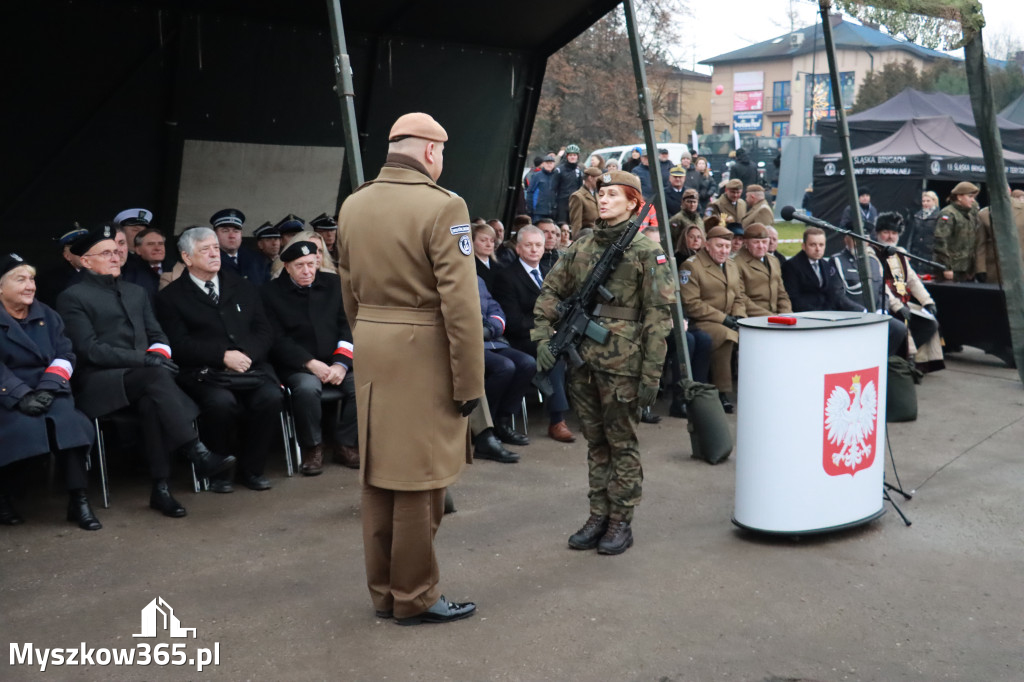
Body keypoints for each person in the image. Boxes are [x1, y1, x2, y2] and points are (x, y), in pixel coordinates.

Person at [336, 112, 483, 625]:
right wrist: (469, 383)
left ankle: (385, 594)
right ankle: (415, 596)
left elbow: (348, 290)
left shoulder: (353, 204)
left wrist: (371, 335)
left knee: (379, 480)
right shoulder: (445, 207)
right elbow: (461, 306)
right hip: (425, 353)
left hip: (374, 348)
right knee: (421, 484)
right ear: (428, 151)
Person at [533, 170, 674, 555]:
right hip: (584, 363)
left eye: (613, 194)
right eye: (601, 193)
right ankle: (598, 513)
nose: (604, 200)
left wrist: (652, 374)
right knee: (596, 443)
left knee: (621, 443)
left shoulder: (648, 253)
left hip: (624, 364)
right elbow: (551, 289)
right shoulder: (583, 246)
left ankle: (620, 521)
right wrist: (542, 336)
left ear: (633, 202)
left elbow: (659, 319)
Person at [56, 225, 236, 519]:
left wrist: (159, 355)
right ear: (85, 261)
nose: (115, 257)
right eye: (106, 254)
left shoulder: (135, 292)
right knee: (156, 379)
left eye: (116, 251)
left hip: (147, 380)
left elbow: (159, 335)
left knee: (154, 398)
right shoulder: (73, 296)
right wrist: (146, 360)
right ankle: (196, 452)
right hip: (101, 382)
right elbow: (90, 350)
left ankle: (161, 489)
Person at [155, 227, 282, 492]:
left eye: (215, 247)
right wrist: (222, 356)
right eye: (205, 249)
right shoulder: (171, 297)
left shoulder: (243, 286)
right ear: (187, 258)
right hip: (205, 372)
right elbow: (177, 343)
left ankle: (252, 469)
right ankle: (220, 473)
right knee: (220, 403)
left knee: (270, 398)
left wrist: (246, 355)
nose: (214, 254)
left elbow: (264, 330)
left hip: (250, 367)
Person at [0, 254, 100, 530]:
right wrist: (19, 395)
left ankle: (78, 499)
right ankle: (3, 496)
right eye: (20, 279)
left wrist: (47, 389)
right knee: (23, 429)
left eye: (31, 279)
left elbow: (66, 354)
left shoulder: (47, 314)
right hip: (7, 397)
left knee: (71, 425)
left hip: (50, 391)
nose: (30, 285)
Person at [264, 240, 359, 473]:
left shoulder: (334, 284)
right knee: (307, 389)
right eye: (299, 265)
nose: (307, 271)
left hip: (336, 361)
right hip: (298, 365)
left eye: (311, 264)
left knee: (363, 385)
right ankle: (312, 447)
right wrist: (309, 363)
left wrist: (341, 364)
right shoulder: (270, 293)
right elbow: (275, 338)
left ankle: (344, 443)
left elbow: (347, 326)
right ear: (287, 267)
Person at [491, 225, 576, 443]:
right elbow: (514, 322)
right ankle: (557, 421)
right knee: (553, 354)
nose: (534, 249)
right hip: (522, 340)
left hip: (554, 333)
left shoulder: (549, 274)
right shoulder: (506, 277)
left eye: (538, 245)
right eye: (528, 245)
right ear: (518, 249)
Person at [680, 224, 748, 412]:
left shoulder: (732, 266)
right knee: (726, 336)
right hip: (700, 323)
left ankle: (750, 388)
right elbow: (691, 303)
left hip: (729, 318)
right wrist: (724, 318)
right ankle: (721, 392)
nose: (724, 251)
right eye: (719, 246)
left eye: (727, 247)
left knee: (752, 336)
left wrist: (739, 316)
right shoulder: (692, 266)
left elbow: (739, 296)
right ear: (707, 245)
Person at [873, 213, 943, 372]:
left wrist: (927, 301)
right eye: (886, 232)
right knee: (901, 322)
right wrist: (897, 306)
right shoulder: (872, 253)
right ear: (878, 234)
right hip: (884, 305)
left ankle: (908, 356)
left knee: (930, 323)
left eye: (894, 233)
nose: (890, 237)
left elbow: (912, 279)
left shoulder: (900, 254)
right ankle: (903, 358)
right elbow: (880, 286)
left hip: (903, 303)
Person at [478, 276, 535, 454]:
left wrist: (491, 328)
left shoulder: (478, 279)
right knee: (504, 367)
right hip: (470, 344)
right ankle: (485, 427)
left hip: (493, 339)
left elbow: (495, 308)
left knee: (527, 363)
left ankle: (503, 422)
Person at [782, 227, 864, 314]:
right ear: (803, 246)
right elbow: (793, 298)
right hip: (805, 315)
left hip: (828, 314)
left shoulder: (826, 264)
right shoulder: (791, 266)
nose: (818, 249)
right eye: (813, 245)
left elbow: (832, 294)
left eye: (821, 245)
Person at [735, 223, 792, 316]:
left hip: (777, 316)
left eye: (765, 242)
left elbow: (782, 294)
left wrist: (786, 314)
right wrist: (771, 317)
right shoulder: (737, 263)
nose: (761, 246)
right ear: (745, 242)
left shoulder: (773, 261)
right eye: (756, 242)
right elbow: (741, 297)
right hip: (753, 317)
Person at [934, 182, 980, 282]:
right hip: (952, 269)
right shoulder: (948, 214)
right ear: (959, 197)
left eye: (973, 197)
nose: (973, 200)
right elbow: (941, 242)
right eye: (970, 196)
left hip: (966, 269)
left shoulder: (969, 215)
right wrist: (946, 267)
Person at [211, 208, 269, 285]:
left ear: (241, 234)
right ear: (215, 234)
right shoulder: (209, 260)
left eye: (236, 231)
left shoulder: (257, 259)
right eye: (225, 231)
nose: (232, 236)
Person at [901, 190, 940, 275]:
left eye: (928, 201)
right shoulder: (917, 215)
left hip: (931, 252)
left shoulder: (939, 216)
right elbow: (912, 235)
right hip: (917, 252)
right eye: (923, 201)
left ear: (934, 201)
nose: (925, 203)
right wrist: (908, 251)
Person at [551, 143, 583, 224]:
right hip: (561, 203)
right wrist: (554, 206)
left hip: (574, 203)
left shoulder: (579, 171)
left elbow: (580, 189)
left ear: (577, 157)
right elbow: (553, 189)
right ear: (567, 156)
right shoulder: (559, 170)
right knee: (562, 225)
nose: (572, 157)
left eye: (574, 155)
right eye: (570, 155)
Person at [669, 188, 704, 256]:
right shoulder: (677, 219)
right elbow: (672, 240)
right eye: (689, 202)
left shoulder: (699, 219)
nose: (692, 205)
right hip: (682, 254)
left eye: (694, 202)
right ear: (683, 202)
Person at [569, 167, 601, 235]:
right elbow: (576, 222)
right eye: (597, 179)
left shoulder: (597, 195)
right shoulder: (578, 196)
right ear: (590, 178)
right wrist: (576, 240)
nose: (599, 182)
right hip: (587, 234)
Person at [528, 154, 558, 223]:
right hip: (539, 211)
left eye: (551, 163)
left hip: (553, 211)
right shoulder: (536, 176)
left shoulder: (557, 176)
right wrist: (531, 209)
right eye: (547, 163)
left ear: (554, 164)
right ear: (543, 164)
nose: (549, 165)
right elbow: (530, 192)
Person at [472, 223, 500, 291]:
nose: (489, 244)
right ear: (472, 242)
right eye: (483, 240)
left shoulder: (500, 267)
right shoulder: (469, 268)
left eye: (492, 241)